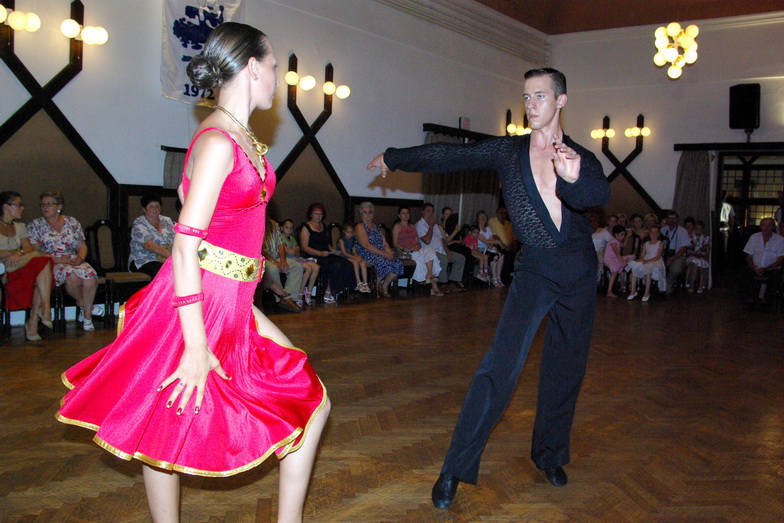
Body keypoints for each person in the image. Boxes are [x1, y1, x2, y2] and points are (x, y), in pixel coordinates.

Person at [55, 23, 329, 522]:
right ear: (252, 68)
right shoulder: (220, 140)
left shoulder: (235, 136)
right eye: (274, 67)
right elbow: (184, 248)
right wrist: (196, 346)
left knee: (310, 401)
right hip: (200, 299)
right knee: (166, 419)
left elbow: (200, 204)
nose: (277, 77)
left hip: (234, 298)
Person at [369, 67, 610, 508]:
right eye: (527, 97)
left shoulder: (581, 157)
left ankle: (550, 455)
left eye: (540, 96)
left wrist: (573, 176)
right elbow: (449, 155)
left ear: (561, 100)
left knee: (566, 368)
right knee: (500, 367)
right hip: (536, 268)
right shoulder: (508, 151)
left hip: (578, 270)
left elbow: (596, 195)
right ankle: (454, 469)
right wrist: (395, 156)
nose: (531, 104)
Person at [28, 190, 99, 331]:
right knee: (73, 278)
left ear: (59, 206)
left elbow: (82, 246)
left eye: (49, 204)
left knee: (90, 277)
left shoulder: (72, 222)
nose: (45, 207)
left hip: (72, 259)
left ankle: (86, 318)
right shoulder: (35, 225)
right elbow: (36, 251)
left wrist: (80, 258)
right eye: (43, 204)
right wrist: (58, 259)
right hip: (51, 262)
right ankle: (85, 306)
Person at [0, 191, 54, 341]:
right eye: (19, 205)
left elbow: (27, 248)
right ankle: (45, 310)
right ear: (6, 206)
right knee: (40, 257)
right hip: (4, 268)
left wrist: (19, 252)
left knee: (41, 266)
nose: (22, 208)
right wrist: (13, 252)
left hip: (21, 265)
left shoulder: (20, 226)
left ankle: (34, 321)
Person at [300, 202, 355, 303]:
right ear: (311, 214)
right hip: (313, 256)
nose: (318, 216)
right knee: (334, 265)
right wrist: (320, 253)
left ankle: (335, 290)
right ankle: (328, 291)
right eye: (316, 213)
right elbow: (304, 247)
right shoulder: (306, 227)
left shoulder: (323, 226)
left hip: (326, 254)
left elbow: (328, 244)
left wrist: (334, 251)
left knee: (347, 264)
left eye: (320, 214)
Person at [354, 201, 404, 298]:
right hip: (366, 253)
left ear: (373, 214)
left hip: (380, 252)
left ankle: (383, 286)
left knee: (398, 263)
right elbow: (366, 245)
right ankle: (374, 288)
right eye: (365, 212)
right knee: (382, 261)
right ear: (361, 214)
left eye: (370, 212)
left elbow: (384, 243)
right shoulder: (359, 226)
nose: (368, 215)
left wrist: (389, 252)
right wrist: (384, 254)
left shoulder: (376, 227)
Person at [392, 205, 442, 295]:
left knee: (430, 250)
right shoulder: (397, 226)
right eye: (403, 213)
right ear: (399, 215)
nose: (405, 215)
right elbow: (395, 244)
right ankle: (434, 286)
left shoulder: (412, 226)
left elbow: (417, 241)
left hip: (416, 249)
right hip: (405, 252)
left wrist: (418, 246)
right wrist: (407, 249)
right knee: (421, 259)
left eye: (407, 213)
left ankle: (429, 273)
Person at [416, 203, 466, 292]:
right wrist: (431, 226)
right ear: (422, 212)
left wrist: (447, 250)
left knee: (460, 258)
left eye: (432, 211)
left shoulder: (435, 225)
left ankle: (453, 281)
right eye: (428, 211)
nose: (430, 213)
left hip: (441, 249)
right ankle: (442, 283)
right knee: (443, 259)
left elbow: (441, 239)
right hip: (430, 252)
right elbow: (427, 241)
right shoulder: (419, 225)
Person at [129, 193, 175, 278]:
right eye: (151, 207)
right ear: (144, 209)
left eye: (157, 206)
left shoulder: (167, 221)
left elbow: (176, 239)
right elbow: (149, 245)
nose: (154, 209)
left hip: (167, 259)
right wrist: (171, 257)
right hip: (144, 260)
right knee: (165, 270)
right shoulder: (139, 223)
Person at [262, 217, 303, 313]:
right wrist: (274, 262)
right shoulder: (257, 222)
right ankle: (280, 299)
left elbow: (280, 244)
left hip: (276, 256)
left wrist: (283, 260)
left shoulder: (274, 224)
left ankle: (290, 298)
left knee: (297, 267)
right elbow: (260, 249)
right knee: (273, 269)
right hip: (264, 258)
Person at [741, 217, 783, 305]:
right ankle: (749, 297)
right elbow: (749, 256)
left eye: (769, 225)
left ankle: (767, 299)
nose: (766, 228)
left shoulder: (780, 240)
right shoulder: (754, 237)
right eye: (764, 225)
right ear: (760, 226)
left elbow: (780, 259)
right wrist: (753, 267)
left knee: (775, 276)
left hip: (772, 268)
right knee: (745, 273)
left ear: (774, 227)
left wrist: (767, 268)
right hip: (755, 267)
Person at [279, 218, 320, 306]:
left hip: (296, 258)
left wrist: (293, 250)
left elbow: (297, 251)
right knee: (308, 268)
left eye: (291, 228)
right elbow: (289, 252)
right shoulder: (280, 238)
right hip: (290, 259)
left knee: (316, 267)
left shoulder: (292, 238)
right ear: (282, 228)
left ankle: (308, 292)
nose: (289, 230)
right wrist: (293, 250)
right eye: (287, 227)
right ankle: (300, 293)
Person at [627, 225, 666, 302]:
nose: (653, 234)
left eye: (656, 233)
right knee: (634, 267)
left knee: (648, 268)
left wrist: (647, 261)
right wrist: (642, 259)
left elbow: (658, 256)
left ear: (658, 234)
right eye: (652, 232)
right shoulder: (646, 243)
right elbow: (642, 254)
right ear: (649, 233)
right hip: (646, 259)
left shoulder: (660, 243)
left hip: (656, 261)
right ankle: (633, 291)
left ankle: (646, 292)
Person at [661, 210, 691, 294]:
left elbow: (684, 248)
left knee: (675, 268)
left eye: (674, 217)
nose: (672, 219)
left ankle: (668, 284)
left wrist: (672, 258)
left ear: (677, 219)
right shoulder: (662, 230)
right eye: (669, 217)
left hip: (678, 255)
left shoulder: (683, 231)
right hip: (665, 255)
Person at [336, 223, 371, 293]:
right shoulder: (341, 240)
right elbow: (344, 253)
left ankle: (365, 283)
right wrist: (354, 258)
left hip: (350, 255)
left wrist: (357, 256)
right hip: (343, 257)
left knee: (362, 262)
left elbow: (354, 252)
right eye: (348, 232)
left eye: (351, 232)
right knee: (355, 262)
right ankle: (358, 282)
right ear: (344, 232)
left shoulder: (352, 240)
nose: (349, 234)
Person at [476, 210, 505, 287]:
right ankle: (494, 278)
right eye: (481, 217)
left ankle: (498, 277)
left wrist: (491, 244)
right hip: (480, 249)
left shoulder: (488, 228)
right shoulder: (477, 229)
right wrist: (497, 242)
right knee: (495, 256)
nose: (483, 219)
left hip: (488, 247)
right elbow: (485, 240)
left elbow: (491, 239)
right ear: (478, 219)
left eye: (484, 217)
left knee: (501, 255)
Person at [604, 225, 634, 298]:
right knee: (614, 271)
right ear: (616, 234)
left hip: (615, 258)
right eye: (621, 235)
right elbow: (617, 253)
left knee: (632, 256)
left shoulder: (618, 241)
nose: (623, 237)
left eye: (624, 235)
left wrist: (627, 237)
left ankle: (624, 266)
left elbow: (623, 245)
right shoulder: (613, 242)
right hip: (609, 258)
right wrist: (622, 260)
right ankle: (609, 291)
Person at [685, 220, 710, 293]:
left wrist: (704, 248)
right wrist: (692, 248)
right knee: (694, 267)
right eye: (697, 229)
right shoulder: (691, 237)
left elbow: (707, 248)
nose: (698, 231)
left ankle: (701, 285)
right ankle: (691, 284)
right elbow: (689, 247)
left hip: (701, 256)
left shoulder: (705, 238)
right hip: (693, 256)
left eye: (700, 229)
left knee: (701, 270)